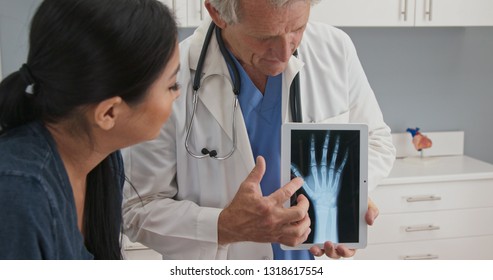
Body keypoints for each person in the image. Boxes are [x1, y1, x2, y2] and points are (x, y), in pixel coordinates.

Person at [122, 0, 395, 260]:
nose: (285, 52)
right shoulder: (170, 74)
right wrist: (224, 226)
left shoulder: (335, 49)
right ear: (217, 13)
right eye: (265, 37)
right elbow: (137, 209)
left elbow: (377, 141)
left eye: (297, 29)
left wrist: (346, 191)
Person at [0, 0, 179, 259]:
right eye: (172, 85)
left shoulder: (103, 160)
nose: (178, 94)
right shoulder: (19, 195)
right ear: (109, 113)